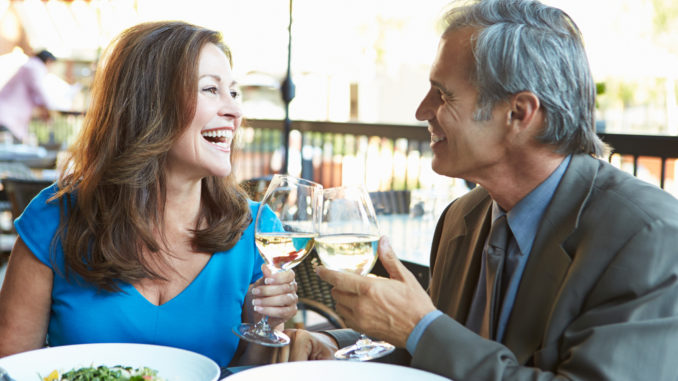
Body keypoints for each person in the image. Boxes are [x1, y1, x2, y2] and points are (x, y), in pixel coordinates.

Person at [282, 0, 678, 379]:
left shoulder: (649, 237)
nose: (421, 110)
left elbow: (431, 335)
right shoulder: (463, 217)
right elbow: (442, 346)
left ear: (519, 114)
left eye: (444, 94)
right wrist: (333, 343)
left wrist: (422, 328)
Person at [0, 21, 299, 367]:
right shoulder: (53, 220)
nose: (235, 111)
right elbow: (12, 368)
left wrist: (272, 323)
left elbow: (250, 369)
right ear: (149, 104)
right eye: (210, 90)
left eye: (233, 92)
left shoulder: (260, 233)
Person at [0, 49, 56, 143]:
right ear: (48, 61)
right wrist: (50, 107)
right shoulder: (35, 67)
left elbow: (34, 95)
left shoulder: (29, 66)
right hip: (7, 118)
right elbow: (40, 91)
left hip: (7, 117)